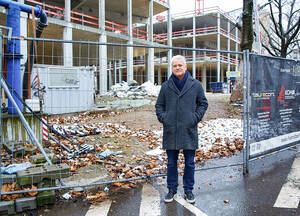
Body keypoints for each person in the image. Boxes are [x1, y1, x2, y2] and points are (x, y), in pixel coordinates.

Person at [155, 55, 208, 204]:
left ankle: (188, 190)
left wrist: (195, 118)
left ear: (185, 67)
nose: (177, 68)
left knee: (189, 163)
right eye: (175, 65)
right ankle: (171, 189)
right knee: (171, 163)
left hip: (188, 130)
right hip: (171, 130)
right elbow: (159, 105)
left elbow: (203, 103)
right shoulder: (166, 86)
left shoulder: (195, 85)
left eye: (180, 65)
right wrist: (164, 118)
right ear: (172, 68)